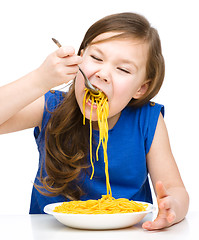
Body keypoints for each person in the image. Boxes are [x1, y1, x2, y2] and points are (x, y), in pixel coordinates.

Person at [0, 12, 189, 230]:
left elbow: (175, 189)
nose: (103, 74)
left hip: (127, 233)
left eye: (123, 69)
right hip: (51, 232)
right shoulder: (52, 107)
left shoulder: (147, 120)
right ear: (78, 60)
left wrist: (172, 207)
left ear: (141, 88)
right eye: (96, 58)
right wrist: (39, 79)